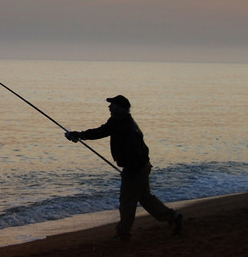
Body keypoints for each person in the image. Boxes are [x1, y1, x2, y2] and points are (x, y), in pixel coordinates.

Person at [64, 95, 183, 241]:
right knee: (145, 198)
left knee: (127, 202)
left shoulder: (127, 128)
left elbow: (136, 154)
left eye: (112, 105)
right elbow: (100, 131)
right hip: (141, 167)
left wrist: (130, 172)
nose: (109, 107)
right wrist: (78, 135)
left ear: (120, 108)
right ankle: (173, 217)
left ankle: (123, 234)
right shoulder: (117, 121)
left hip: (137, 168)